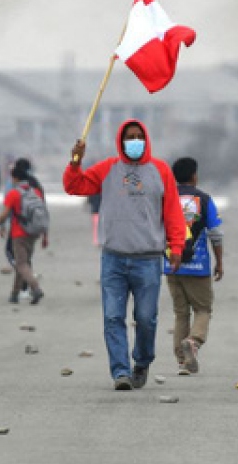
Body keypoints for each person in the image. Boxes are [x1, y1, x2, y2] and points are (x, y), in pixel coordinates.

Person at [64, 119, 186, 391]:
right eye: (129, 137)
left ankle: (141, 361)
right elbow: (75, 186)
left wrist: (176, 246)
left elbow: (173, 212)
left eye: (138, 136)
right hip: (114, 259)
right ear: (120, 140)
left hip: (148, 260)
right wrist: (75, 162)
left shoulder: (161, 170)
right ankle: (120, 371)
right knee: (112, 317)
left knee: (146, 318)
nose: (134, 141)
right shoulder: (108, 169)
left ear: (146, 139)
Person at [163, 157, 224, 376]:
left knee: (180, 313)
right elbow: (216, 234)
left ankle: (182, 361)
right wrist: (220, 262)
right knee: (203, 309)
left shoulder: (165, 198)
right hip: (198, 266)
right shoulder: (204, 200)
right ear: (194, 176)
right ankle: (194, 341)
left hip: (172, 264)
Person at [0, 158, 46, 305]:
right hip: (34, 231)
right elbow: (44, 211)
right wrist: (45, 234)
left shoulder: (14, 193)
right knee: (23, 261)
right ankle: (15, 294)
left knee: (21, 263)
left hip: (19, 233)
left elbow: (4, 214)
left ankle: (34, 287)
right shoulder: (36, 189)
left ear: (15, 177)